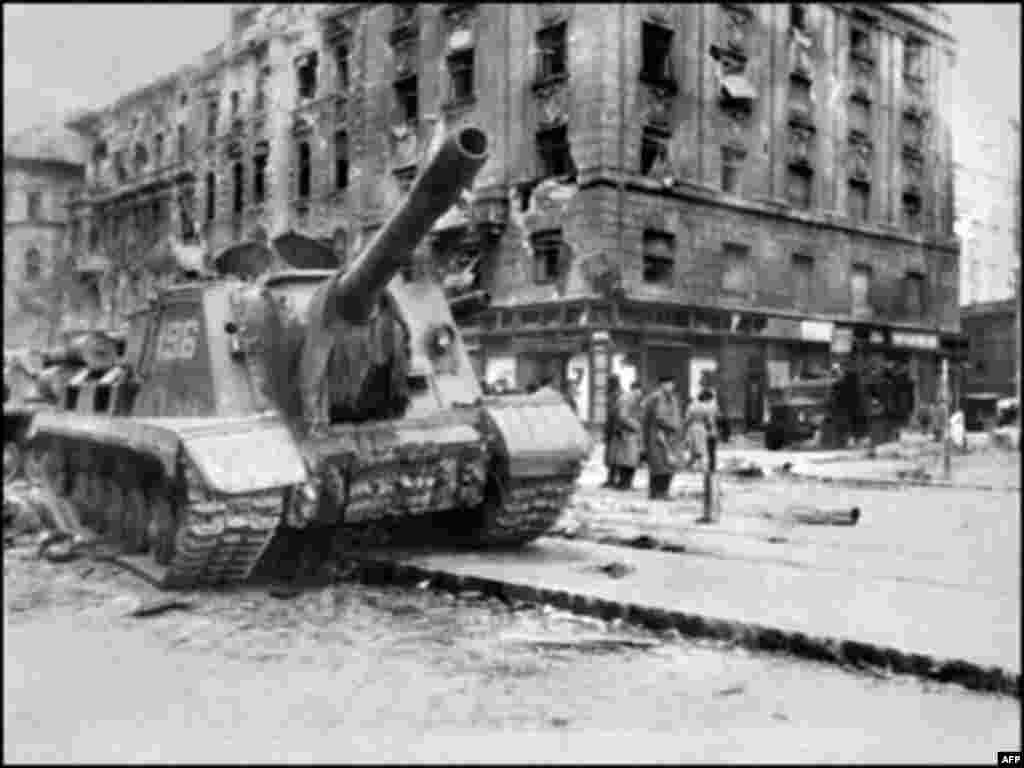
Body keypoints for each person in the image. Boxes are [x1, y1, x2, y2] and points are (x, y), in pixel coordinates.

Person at [643, 376, 682, 500]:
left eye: (672, 384)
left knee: (664, 464)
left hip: (669, 435)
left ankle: (658, 492)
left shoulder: (671, 397)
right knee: (661, 465)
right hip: (659, 434)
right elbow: (660, 417)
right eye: (667, 384)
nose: (670, 386)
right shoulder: (658, 397)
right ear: (661, 385)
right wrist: (674, 426)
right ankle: (660, 492)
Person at [610, 380, 644, 490]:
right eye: (640, 391)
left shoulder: (630, 399)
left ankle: (626, 483)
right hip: (626, 434)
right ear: (636, 390)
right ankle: (624, 484)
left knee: (629, 460)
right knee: (627, 460)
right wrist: (637, 426)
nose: (641, 394)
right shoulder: (627, 399)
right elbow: (623, 417)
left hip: (628, 433)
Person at [684, 388, 719, 471]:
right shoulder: (707, 406)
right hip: (703, 428)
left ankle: (690, 465)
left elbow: (687, 419)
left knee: (694, 449)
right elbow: (709, 420)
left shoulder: (691, 406)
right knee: (703, 449)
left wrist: (685, 428)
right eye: (710, 398)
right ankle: (703, 466)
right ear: (706, 398)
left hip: (692, 428)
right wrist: (711, 428)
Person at [602, 375, 622, 488]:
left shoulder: (616, 395)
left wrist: (609, 429)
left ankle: (612, 478)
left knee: (614, 456)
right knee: (612, 456)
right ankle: (611, 478)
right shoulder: (615, 394)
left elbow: (614, 414)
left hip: (615, 429)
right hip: (612, 428)